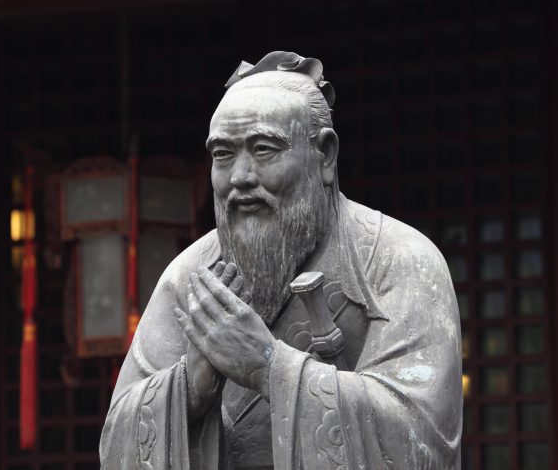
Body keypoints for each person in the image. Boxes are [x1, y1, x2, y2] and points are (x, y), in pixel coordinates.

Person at [100, 51, 462, 469]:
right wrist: (188, 389)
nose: (240, 177)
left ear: (324, 155)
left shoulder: (400, 260)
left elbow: (420, 437)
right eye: (223, 155)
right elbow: (117, 443)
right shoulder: (190, 278)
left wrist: (270, 367)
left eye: (264, 149)